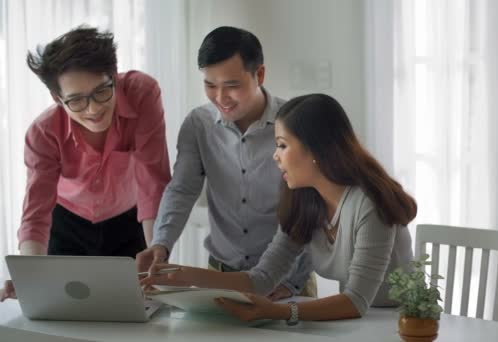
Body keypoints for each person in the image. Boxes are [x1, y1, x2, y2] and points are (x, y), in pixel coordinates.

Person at [141, 93, 417, 323]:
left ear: (316, 151)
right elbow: (261, 279)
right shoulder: (305, 201)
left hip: (402, 323)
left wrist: (281, 312)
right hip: (353, 323)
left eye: (282, 146)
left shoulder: (368, 204)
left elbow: (356, 301)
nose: (275, 156)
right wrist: (181, 276)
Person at [135, 26, 315, 300]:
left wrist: (292, 282)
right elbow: (182, 189)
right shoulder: (198, 124)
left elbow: (311, 205)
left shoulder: (295, 122)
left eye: (232, 86)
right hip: (220, 276)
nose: (220, 98)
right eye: (210, 85)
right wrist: (162, 243)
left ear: (260, 75)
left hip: (287, 281)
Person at [0, 26, 171, 301]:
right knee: (62, 310)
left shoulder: (142, 93)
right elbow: (36, 210)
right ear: (58, 99)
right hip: (67, 224)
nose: (93, 109)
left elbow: (153, 179)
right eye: (76, 101)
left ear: (114, 77)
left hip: (129, 221)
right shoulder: (43, 133)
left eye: (102, 91)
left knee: (137, 308)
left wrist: (158, 251)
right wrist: (28, 275)